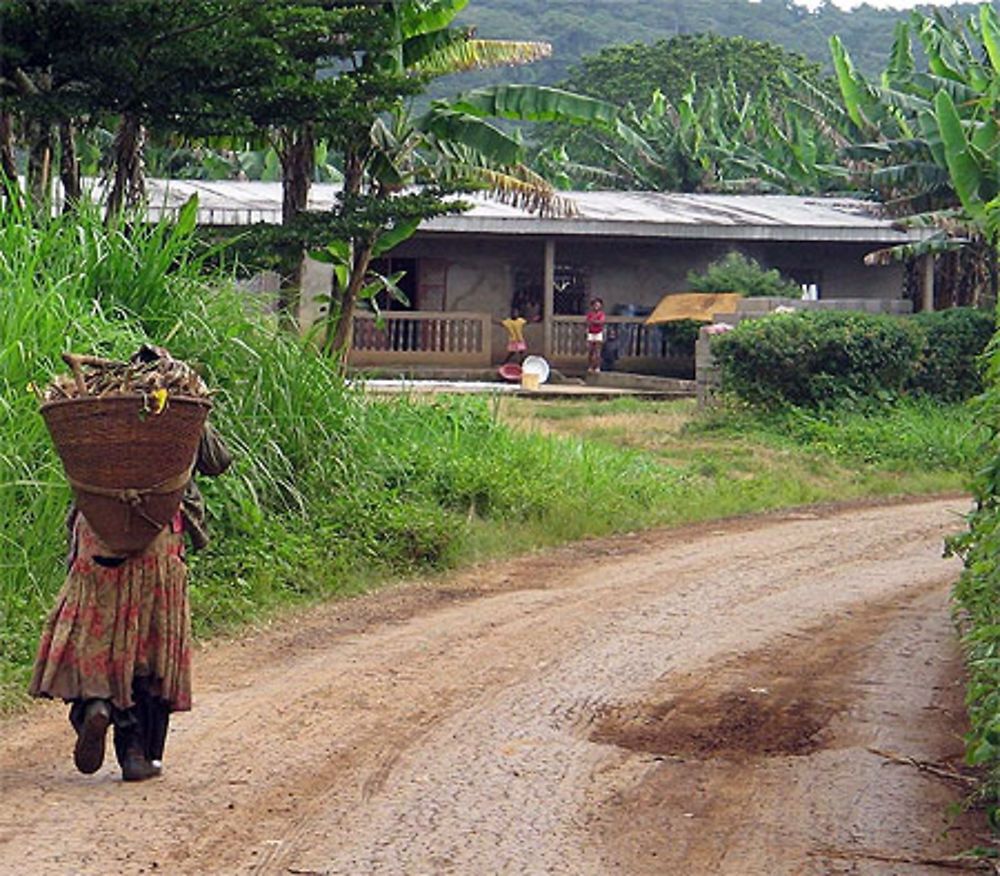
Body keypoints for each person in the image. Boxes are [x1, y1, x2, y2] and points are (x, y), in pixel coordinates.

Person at [29, 346, 232, 782]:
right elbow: (218, 462)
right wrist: (195, 413)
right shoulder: (179, 413)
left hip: (96, 535)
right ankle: (137, 754)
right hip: (158, 538)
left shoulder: (92, 407)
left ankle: (95, 707)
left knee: (91, 629)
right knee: (149, 644)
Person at [585, 297, 606, 373]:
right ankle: (590, 366)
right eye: (595, 305)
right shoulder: (590, 314)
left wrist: (594, 321)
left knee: (598, 351)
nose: (596, 306)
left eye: (598, 305)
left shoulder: (601, 314)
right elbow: (588, 322)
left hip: (598, 333)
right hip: (591, 333)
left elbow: (601, 322)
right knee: (590, 351)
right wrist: (595, 322)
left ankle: (597, 367)